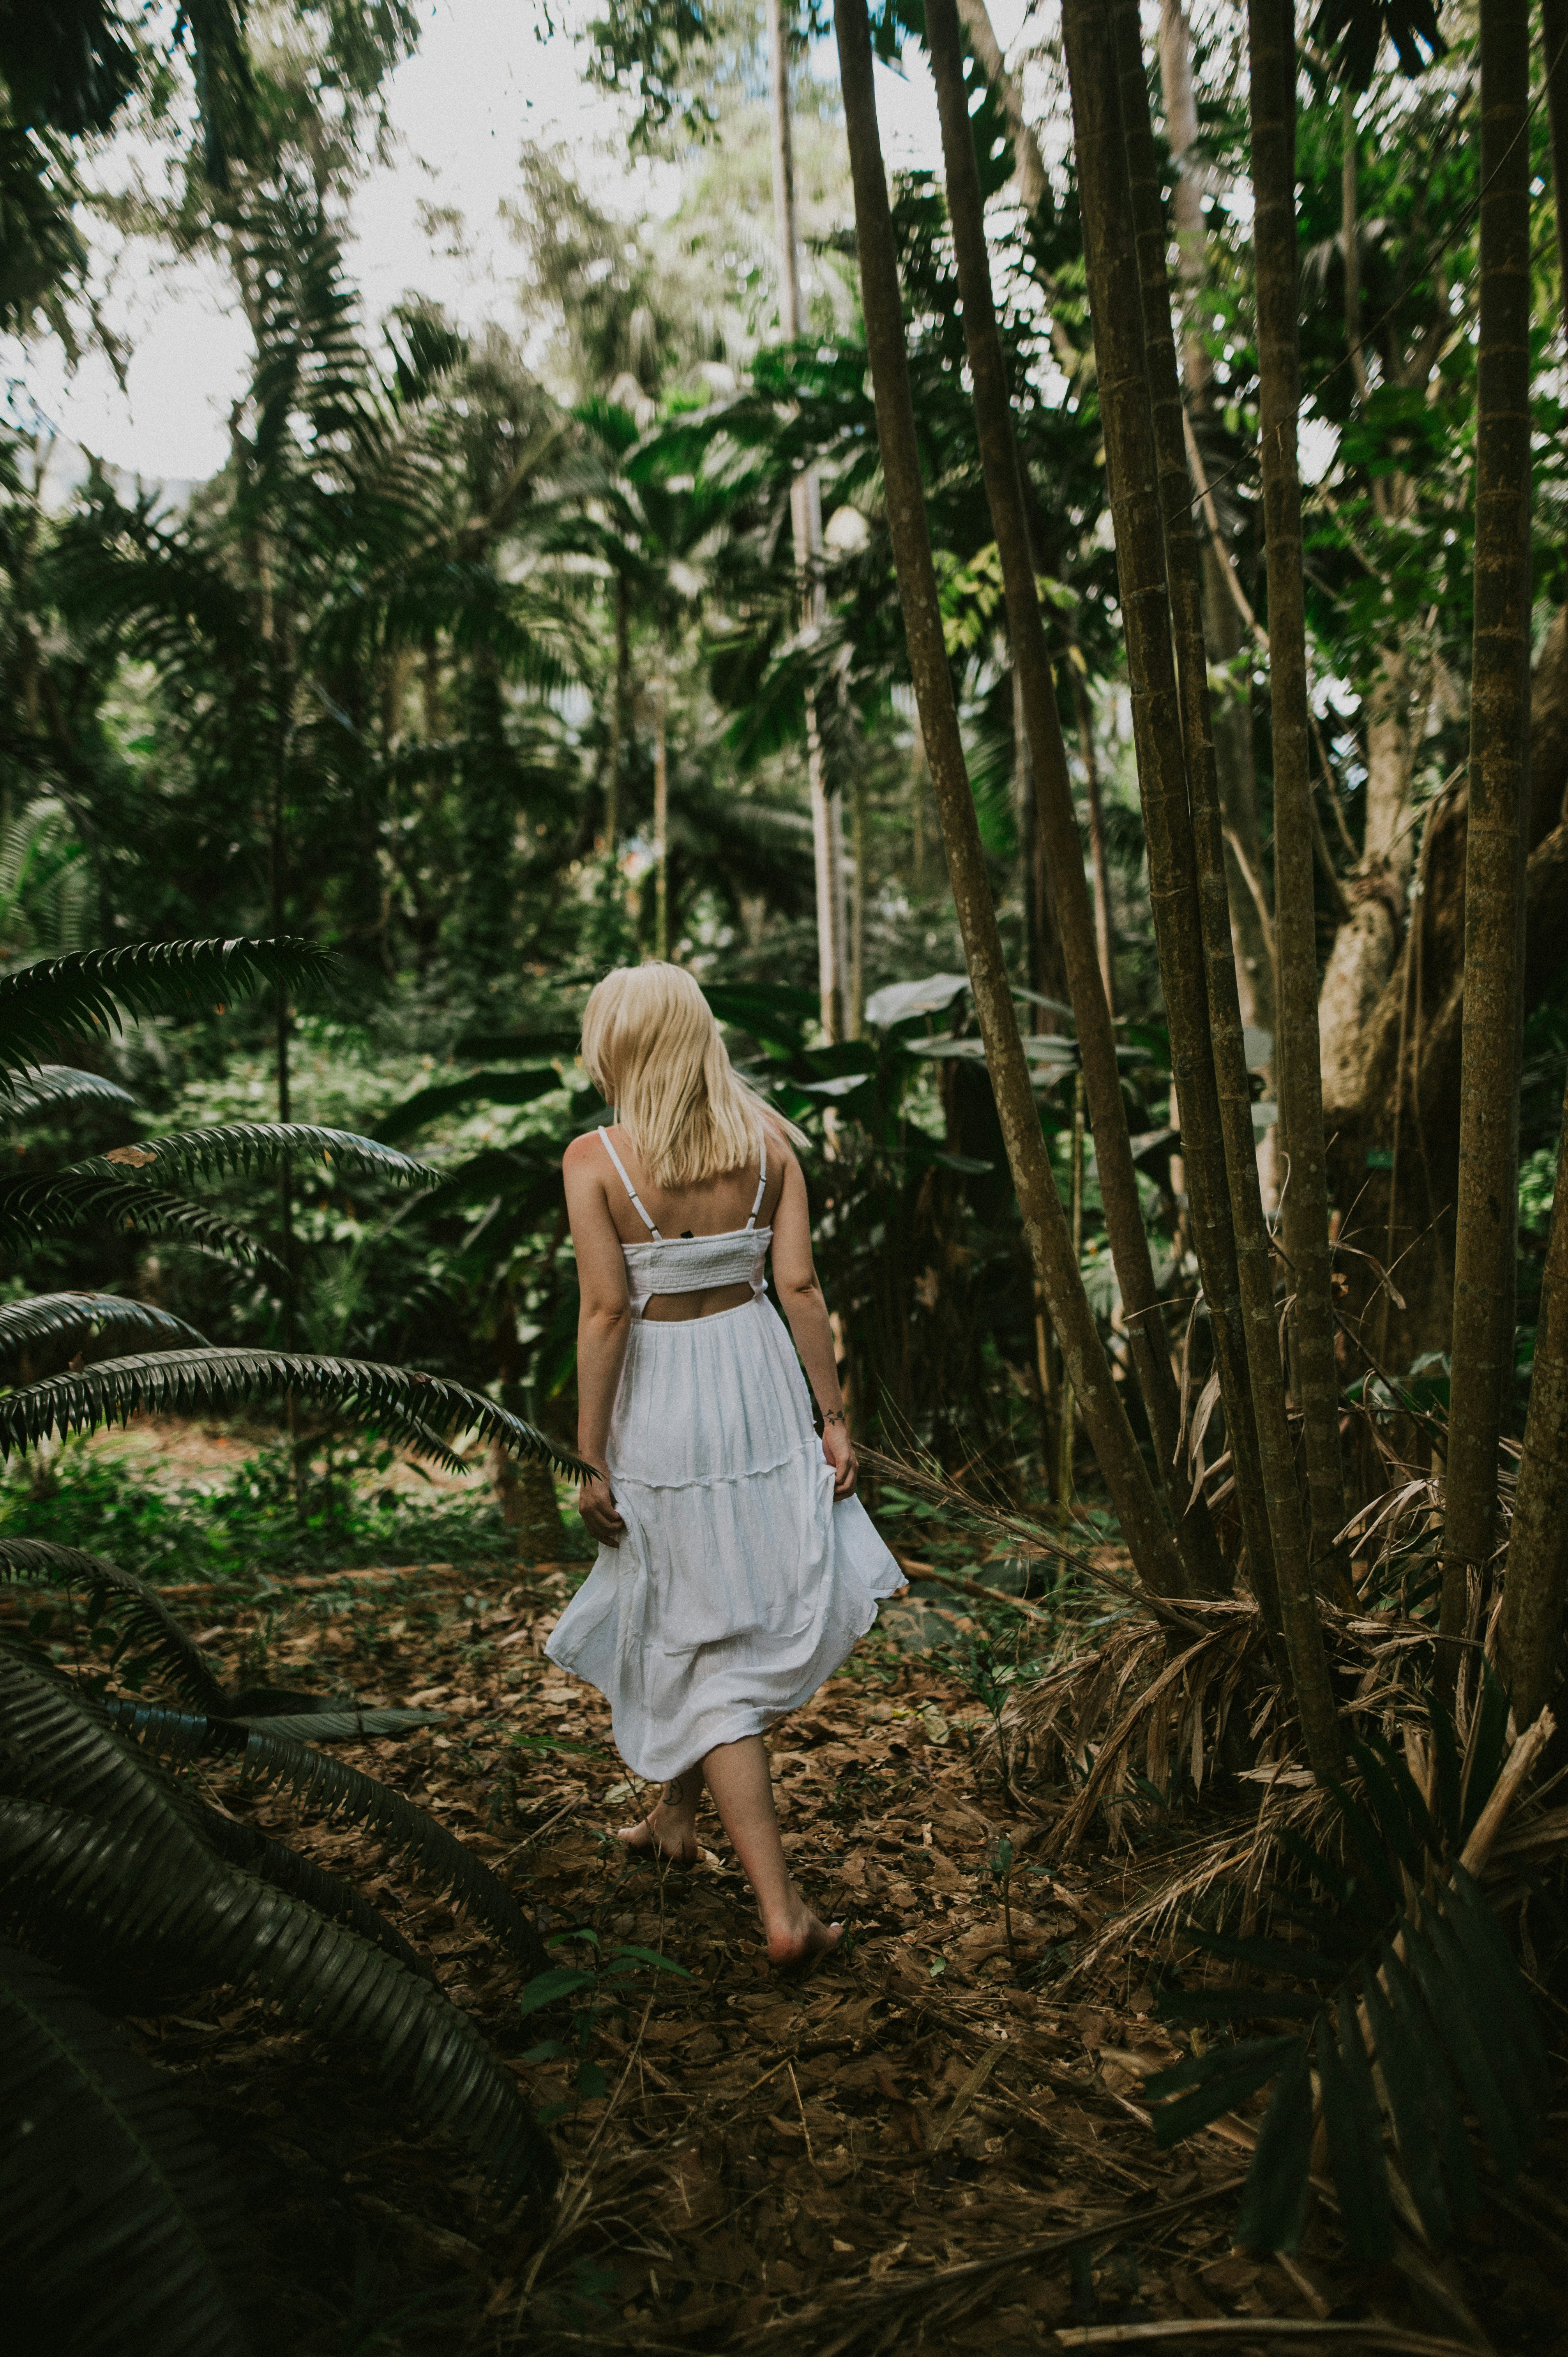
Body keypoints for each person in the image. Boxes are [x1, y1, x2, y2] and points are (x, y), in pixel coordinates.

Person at [547, 962, 906, 1966]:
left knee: (702, 1642)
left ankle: (781, 1913)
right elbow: (797, 1287)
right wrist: (830, 1416)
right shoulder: (769, 1146)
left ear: (619, 1044)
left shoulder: (594, 1161)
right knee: (708, 1613)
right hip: (754, 1388)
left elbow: (607, 1312)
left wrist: (589, 1456)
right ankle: (674, 1817)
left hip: (663, 1398)